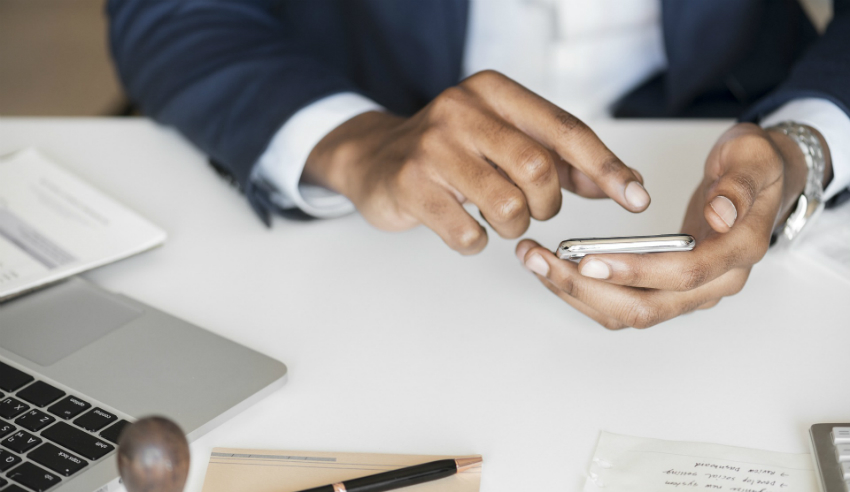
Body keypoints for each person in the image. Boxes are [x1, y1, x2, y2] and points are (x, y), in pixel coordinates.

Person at [108, 0, 849, 328]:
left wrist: (803, 144)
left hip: (731, 134)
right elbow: (171, 9)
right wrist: (353, 142)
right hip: (379, 194)